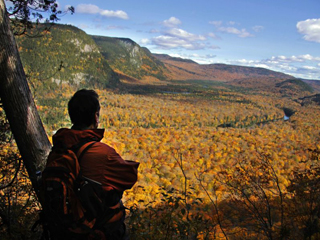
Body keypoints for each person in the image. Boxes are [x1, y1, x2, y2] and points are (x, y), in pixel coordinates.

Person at [51, 89, 139, 239]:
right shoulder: (102, 153)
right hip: (96, 231)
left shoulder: (58, 151)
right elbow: (130, 177)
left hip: (65, 230)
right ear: (95, 116)